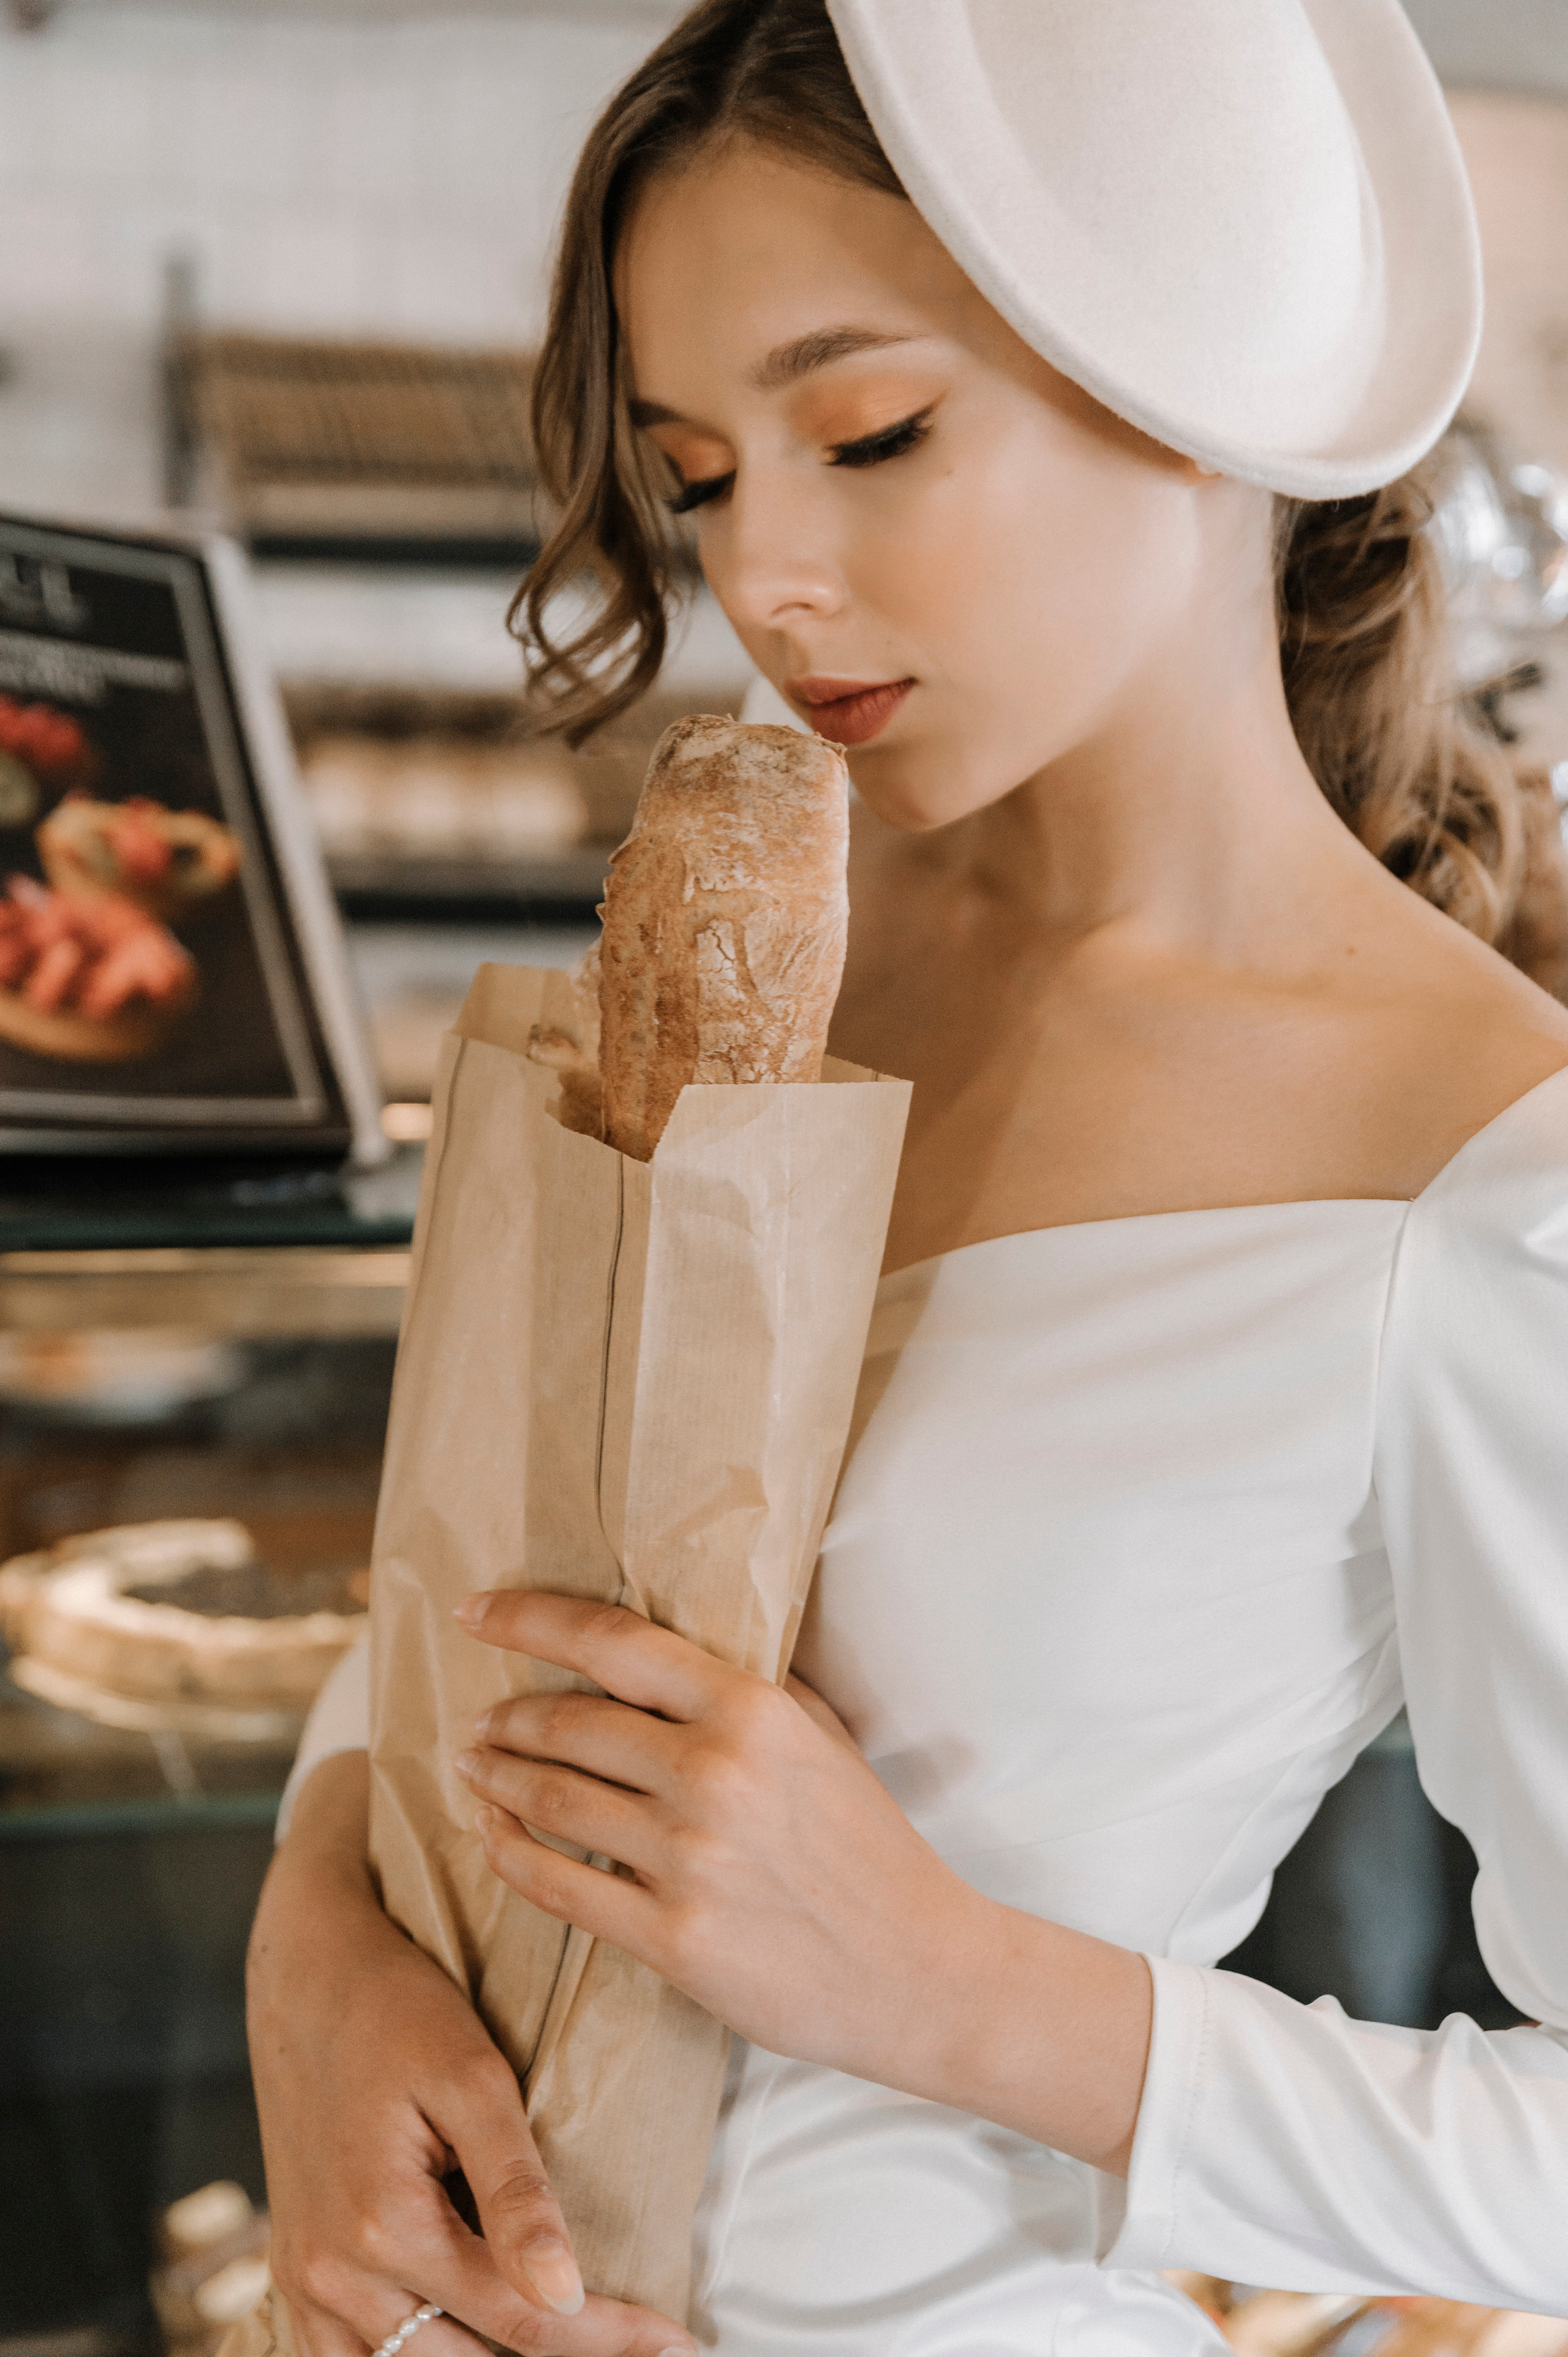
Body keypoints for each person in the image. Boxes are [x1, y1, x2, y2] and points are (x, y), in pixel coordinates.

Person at [246, 4, 1568, 2353]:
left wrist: (948, 1985)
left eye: (871, 433)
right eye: (700, 477)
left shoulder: (1479, 1178)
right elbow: (476, 1591)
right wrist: (317, 1953)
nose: (776, 576)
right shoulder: (748, 950)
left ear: (1205, 378)